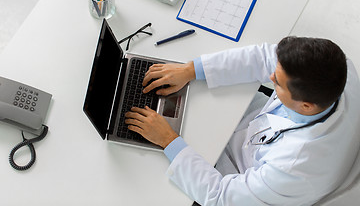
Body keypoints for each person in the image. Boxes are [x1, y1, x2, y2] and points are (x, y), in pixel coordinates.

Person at [125, 36, 360, 205]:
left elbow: (221, 196)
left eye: (276, 82)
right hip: (251, 129)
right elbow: (266, 57)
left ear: (306, 105)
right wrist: (190, 70)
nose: (269, 77)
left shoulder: (293, 167)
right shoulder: (339, 68)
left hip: (245, 179)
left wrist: (169, 140)